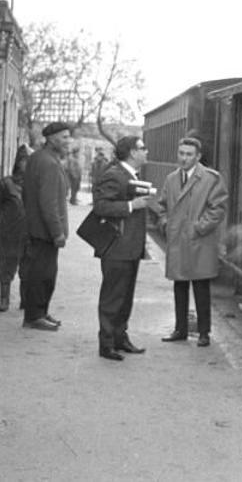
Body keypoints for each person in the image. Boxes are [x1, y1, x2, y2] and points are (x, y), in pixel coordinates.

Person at [157, 136, 228, 347]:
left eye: (189, 154)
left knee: (201, 286)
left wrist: (198, 228)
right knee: (179, 286)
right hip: (179, 240)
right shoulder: (171, 179)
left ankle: (204, 332)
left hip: (199, 241)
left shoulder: (211, 178)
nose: (184, 158)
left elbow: (218, 209)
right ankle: (180, 329)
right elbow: (161, 205)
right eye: (181, 153)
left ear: (198, 156)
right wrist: (164, 225)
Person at [90, 135, 152, 360]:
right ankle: (106, 344)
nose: (147, 151)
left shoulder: (129, 175)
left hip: (129, 247)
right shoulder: (114, 175)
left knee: (125, 296)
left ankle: (119, 337)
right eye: (143, 148)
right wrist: (130, 205)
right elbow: (101, 206)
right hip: (117, 247)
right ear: (132, 152)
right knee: (113, 296)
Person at [21, 122, 72, 331]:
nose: (68, 142)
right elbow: (48, 203)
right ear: (51, 139)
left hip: (35, 228)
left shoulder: (38, 158)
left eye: (69, 137)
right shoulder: (49, 163)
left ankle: (40, 312)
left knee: (40, 273)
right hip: (44, 232)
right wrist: (57, 232)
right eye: (64, 137)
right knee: (43, 275)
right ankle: (34, 317)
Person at [0, 148, 29, 313]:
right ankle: (4, 300)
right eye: (25, 161)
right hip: (10, 232)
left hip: (29, 232)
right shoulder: (4, 184)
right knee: (7, 264)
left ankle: (25, 300)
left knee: (28, 266)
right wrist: (5, 221)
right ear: (18, 162)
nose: (28, 165)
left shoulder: (35, 185)